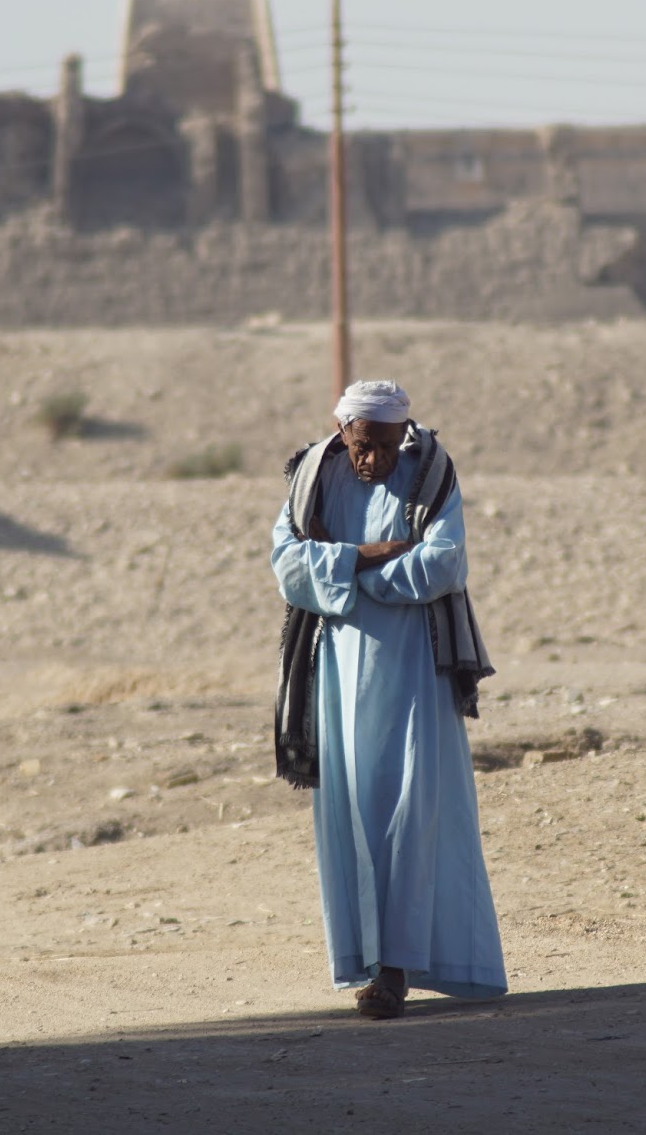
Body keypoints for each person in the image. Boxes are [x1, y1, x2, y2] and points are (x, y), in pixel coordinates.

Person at [269, 380, 506, 1019]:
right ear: (342, 430)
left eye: (382, 445)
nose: (370, 459)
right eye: (361, 444)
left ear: (402, 435)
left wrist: (341, 569)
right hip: (339, 677)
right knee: (353, 814)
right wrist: (369, 554)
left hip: (413, 674)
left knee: (409, 813)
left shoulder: (429, 478)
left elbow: (442, 567)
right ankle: (368, 964)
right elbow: (287, 568)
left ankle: (396, 972)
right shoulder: (313, 478)